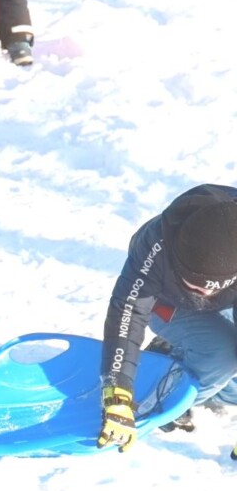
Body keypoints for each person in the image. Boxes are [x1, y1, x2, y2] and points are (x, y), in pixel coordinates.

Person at [97, 184, 237, 454]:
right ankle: (168, 395)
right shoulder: (156, 246)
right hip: (167, 300)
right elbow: (128, 312)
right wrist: (118, 395)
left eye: (210, 288)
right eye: (196, 286)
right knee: (219, 356)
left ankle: (179, 363)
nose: (205, 294)